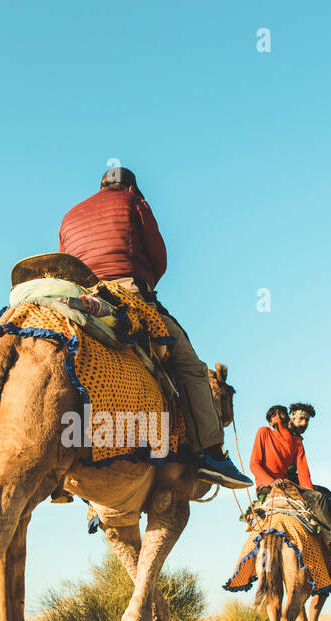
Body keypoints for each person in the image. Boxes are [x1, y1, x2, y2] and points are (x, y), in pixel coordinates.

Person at [59, 166, 251, 489]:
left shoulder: (70, 215)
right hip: (126, 295)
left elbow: (68, 263)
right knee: (190, 364)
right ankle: (211, 453)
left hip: (77, 300)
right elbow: (159, 260)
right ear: (131, 188)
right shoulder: (134, 203)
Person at [249, 404, 331, 567]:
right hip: (268, 486)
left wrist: (310, 495)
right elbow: (254, 464)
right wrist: (271, 482)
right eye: (274, 416)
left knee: (321, 497)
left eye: (280, 415)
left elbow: (304, 472)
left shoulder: (297, 442)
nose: (278, 419)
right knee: (320, 497)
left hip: (288, 484)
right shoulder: (263, 432)